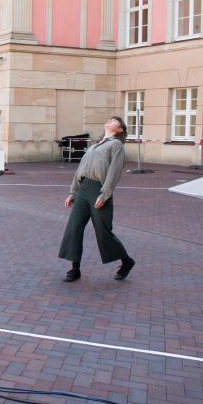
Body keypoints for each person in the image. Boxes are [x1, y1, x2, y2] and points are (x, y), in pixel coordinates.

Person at [58, 116, 135, 282]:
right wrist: (73, 192)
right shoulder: (94, 146)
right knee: (74, 227)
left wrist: (105, 194)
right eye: (109, 119)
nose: (110, 120)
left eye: (115, 120)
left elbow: (114, 172)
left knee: (103, 231)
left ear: (120, 129)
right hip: (83, 189)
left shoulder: (116, 145)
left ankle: (126, 261)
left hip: (98, 190)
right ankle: (74, 269)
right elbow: (81, 169)